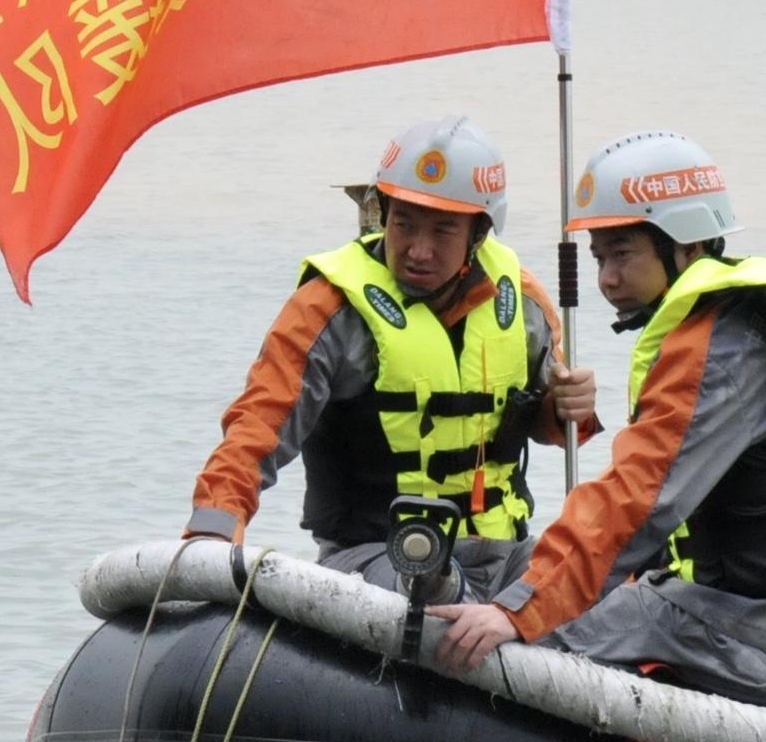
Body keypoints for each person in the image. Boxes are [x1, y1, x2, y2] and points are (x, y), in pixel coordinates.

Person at [430, 131, 766, 705]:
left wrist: (518, 613)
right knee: (548, 583)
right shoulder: (740, 316)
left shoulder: (723, 348)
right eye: (599, 257)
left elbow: (638, 497)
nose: (606, 278)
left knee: (513, 641)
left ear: (688, 245)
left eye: (623, 254)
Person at [184, 117, 596, 596]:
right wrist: (212, 531)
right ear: (383, 213)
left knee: (601, 581)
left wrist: (567, 407)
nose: (418, 250)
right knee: (434, 591)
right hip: (378, 555)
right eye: (404, 224)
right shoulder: (329, 309)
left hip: (502, 553)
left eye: (443, 231)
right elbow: (256, 429)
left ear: (479, 234)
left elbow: (548, 425)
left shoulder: (522, 303)